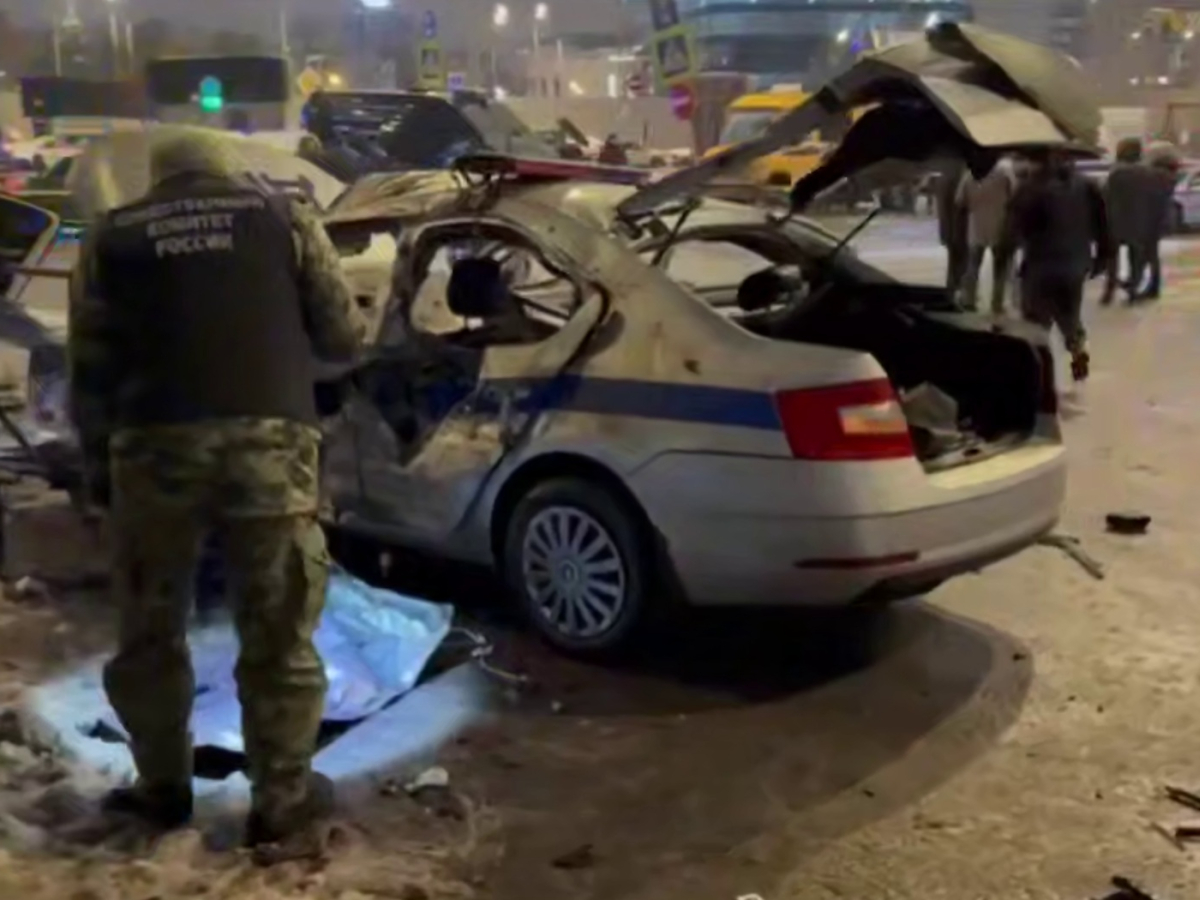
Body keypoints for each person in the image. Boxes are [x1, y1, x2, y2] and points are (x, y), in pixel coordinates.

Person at [67, 126, 366, 860]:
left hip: (152, 450)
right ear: (229, 169)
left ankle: (161, 790)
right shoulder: (284, 219)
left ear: (158, 177)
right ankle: (282, 802)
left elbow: (89, 369)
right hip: (269, 447)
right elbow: (343, 336)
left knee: (150, 632)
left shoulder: (111, 236)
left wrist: (98, 473)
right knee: (278, 630)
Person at [1009, 148, 1111, 382]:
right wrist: (1102, 258)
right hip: (1075, 264)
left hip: (1039, 266)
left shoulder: (1029, 188)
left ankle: (1042, 375)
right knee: (1070, 315)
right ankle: (1078, 351)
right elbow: (1103, 225)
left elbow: (1013, 229)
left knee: (1036, 323)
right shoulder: (1087, 186)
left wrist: (1006, 257)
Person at [956, 156, 1018, 313]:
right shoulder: (1004, 169)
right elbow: (1015, 195)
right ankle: (997, 303)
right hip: (1000, 226)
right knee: (1001, 268)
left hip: (976, 227)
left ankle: (969, 300)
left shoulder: (969, 175)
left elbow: (960, 201)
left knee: (973, 266)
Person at [1101, 137, 1157, 305]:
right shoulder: (1147, 173)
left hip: (1116, 220)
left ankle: (1109, 291)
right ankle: (1133, 291)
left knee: (1112, 257)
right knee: (1136, 258)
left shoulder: (1116, 173)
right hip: (1139, 221)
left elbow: (1106, 197)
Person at [1132, 151, 1181, 302]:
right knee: (1151, 254)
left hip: (1152, 219)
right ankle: (1151, 286)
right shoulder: (1169, 178)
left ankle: (1148, 286)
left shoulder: (1159, 177)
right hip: (1160, 219)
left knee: (1148, 254)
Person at [936, 161, 969, 300]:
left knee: (953, 261)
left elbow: (942, 209)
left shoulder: (942, 179)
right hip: (961, 228)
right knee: (962, 261)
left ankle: (952, 289)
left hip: (948, 228)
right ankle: (959, 291)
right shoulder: (962, 179)